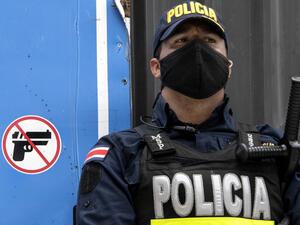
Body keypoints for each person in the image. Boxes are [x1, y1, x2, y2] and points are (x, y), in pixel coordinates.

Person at [76, 1, 300, 224]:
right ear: (156, 66)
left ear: (228, 66)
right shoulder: (120, 155)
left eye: (209, 41)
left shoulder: (276, 151)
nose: (197, 51)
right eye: (181, 41)